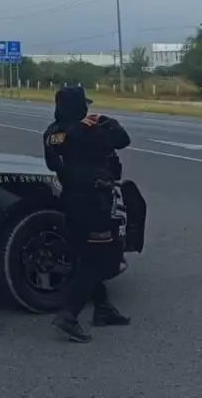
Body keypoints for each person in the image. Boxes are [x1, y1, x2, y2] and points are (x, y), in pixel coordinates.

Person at [43, 84, 132, 343]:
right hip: (95, 201)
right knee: (102, 258)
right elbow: (123, 141)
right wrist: (107, 122)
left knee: (84, 254)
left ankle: (103, 308)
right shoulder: (94, 130)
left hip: (70, 198)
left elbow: (52, 163)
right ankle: (68, 315)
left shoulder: (52, 133)